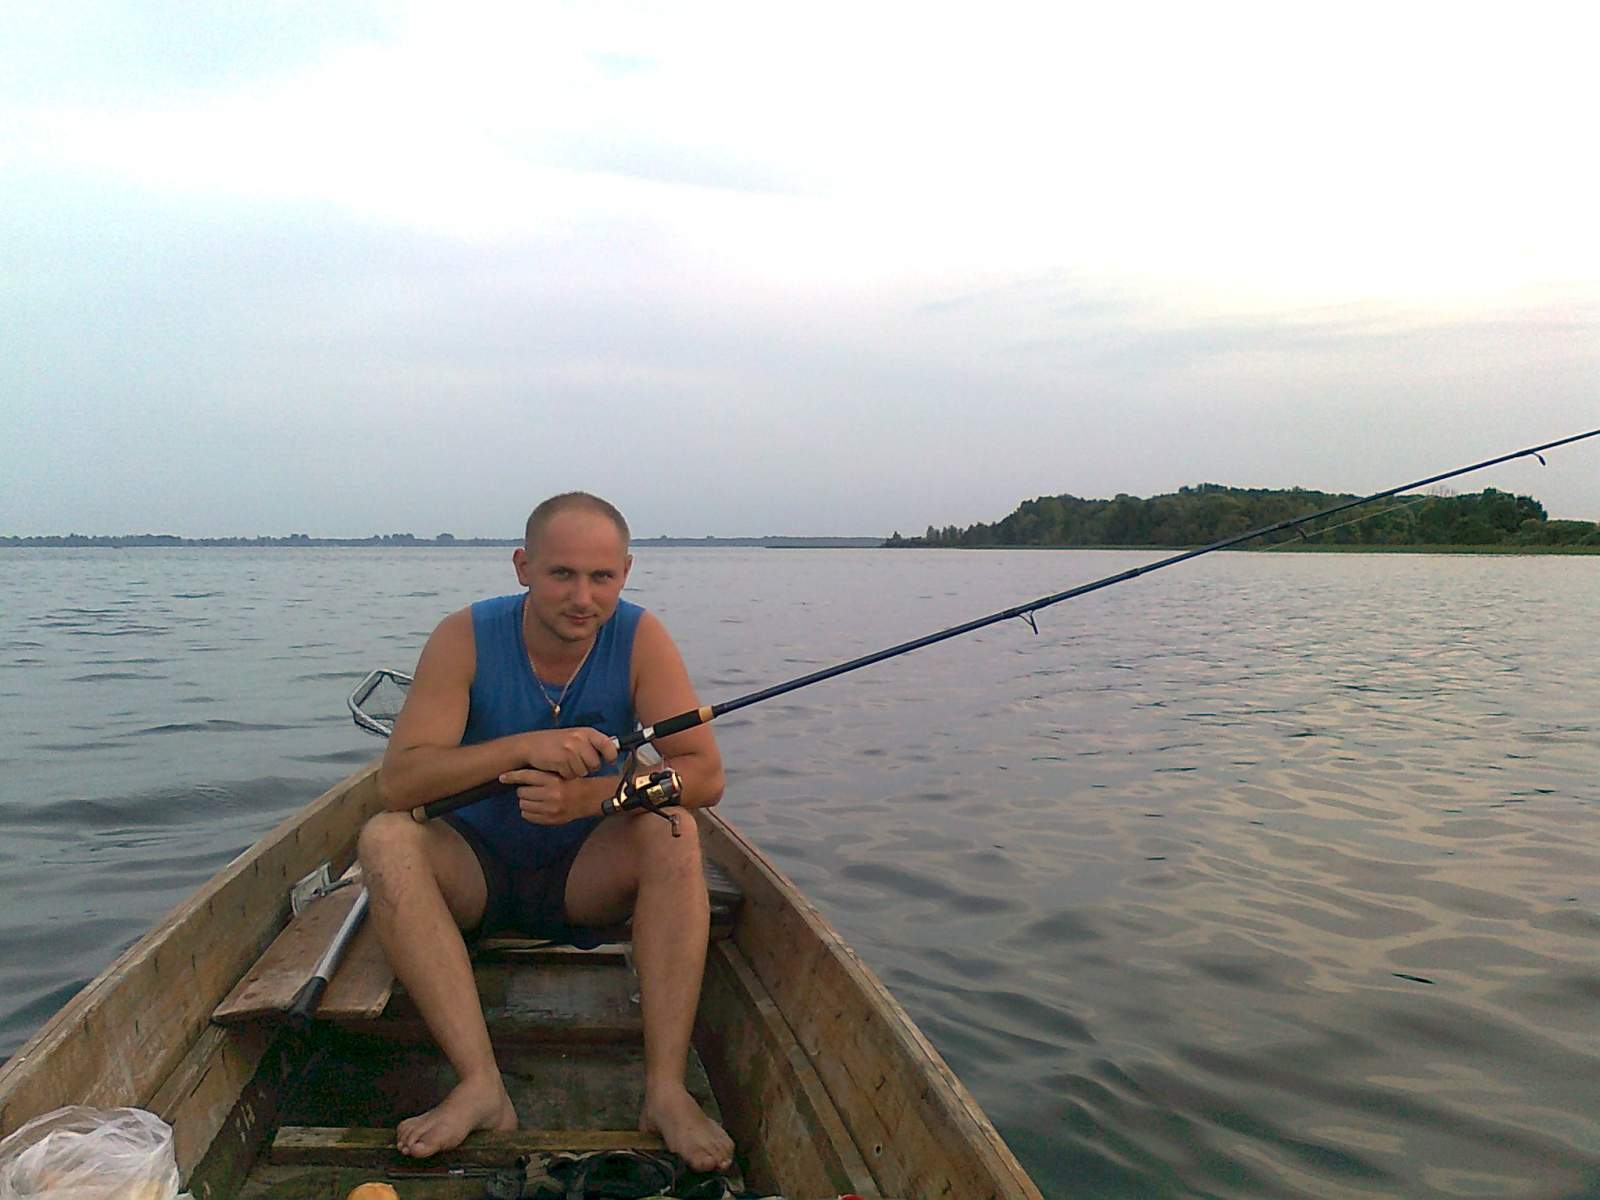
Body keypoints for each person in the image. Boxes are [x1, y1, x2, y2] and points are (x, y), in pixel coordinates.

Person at [358, 492, 734, 1172]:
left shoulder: (640, 638)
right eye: (562, 574)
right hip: (471, 873)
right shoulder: (464, 636)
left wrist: (596, 797)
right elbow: (399, 782)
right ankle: (480, 1086)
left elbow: (704, 775)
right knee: (385, 839)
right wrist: (522, 748)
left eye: (601, 577)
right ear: (523, 567)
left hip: (586, 875)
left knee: (675, 830)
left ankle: (667, 1090)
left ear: (625, 573)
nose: (583, 598)